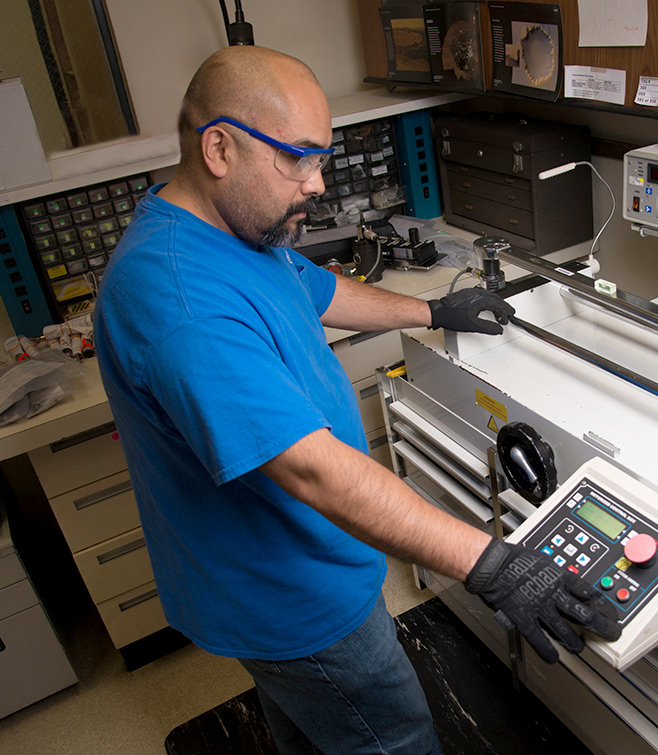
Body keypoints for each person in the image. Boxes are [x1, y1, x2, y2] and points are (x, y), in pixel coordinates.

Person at [94, 45, 619, 755]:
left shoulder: (231, 229)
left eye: (322, 158)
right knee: (389, 735)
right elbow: (309, 468)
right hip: (290, 596)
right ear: (218, 146)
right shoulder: (181, 302)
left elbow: (317, 291)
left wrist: (432, 313)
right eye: (299, 159)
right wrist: (487, 562)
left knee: (316, 734)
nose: (316, 184)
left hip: (317, 561)